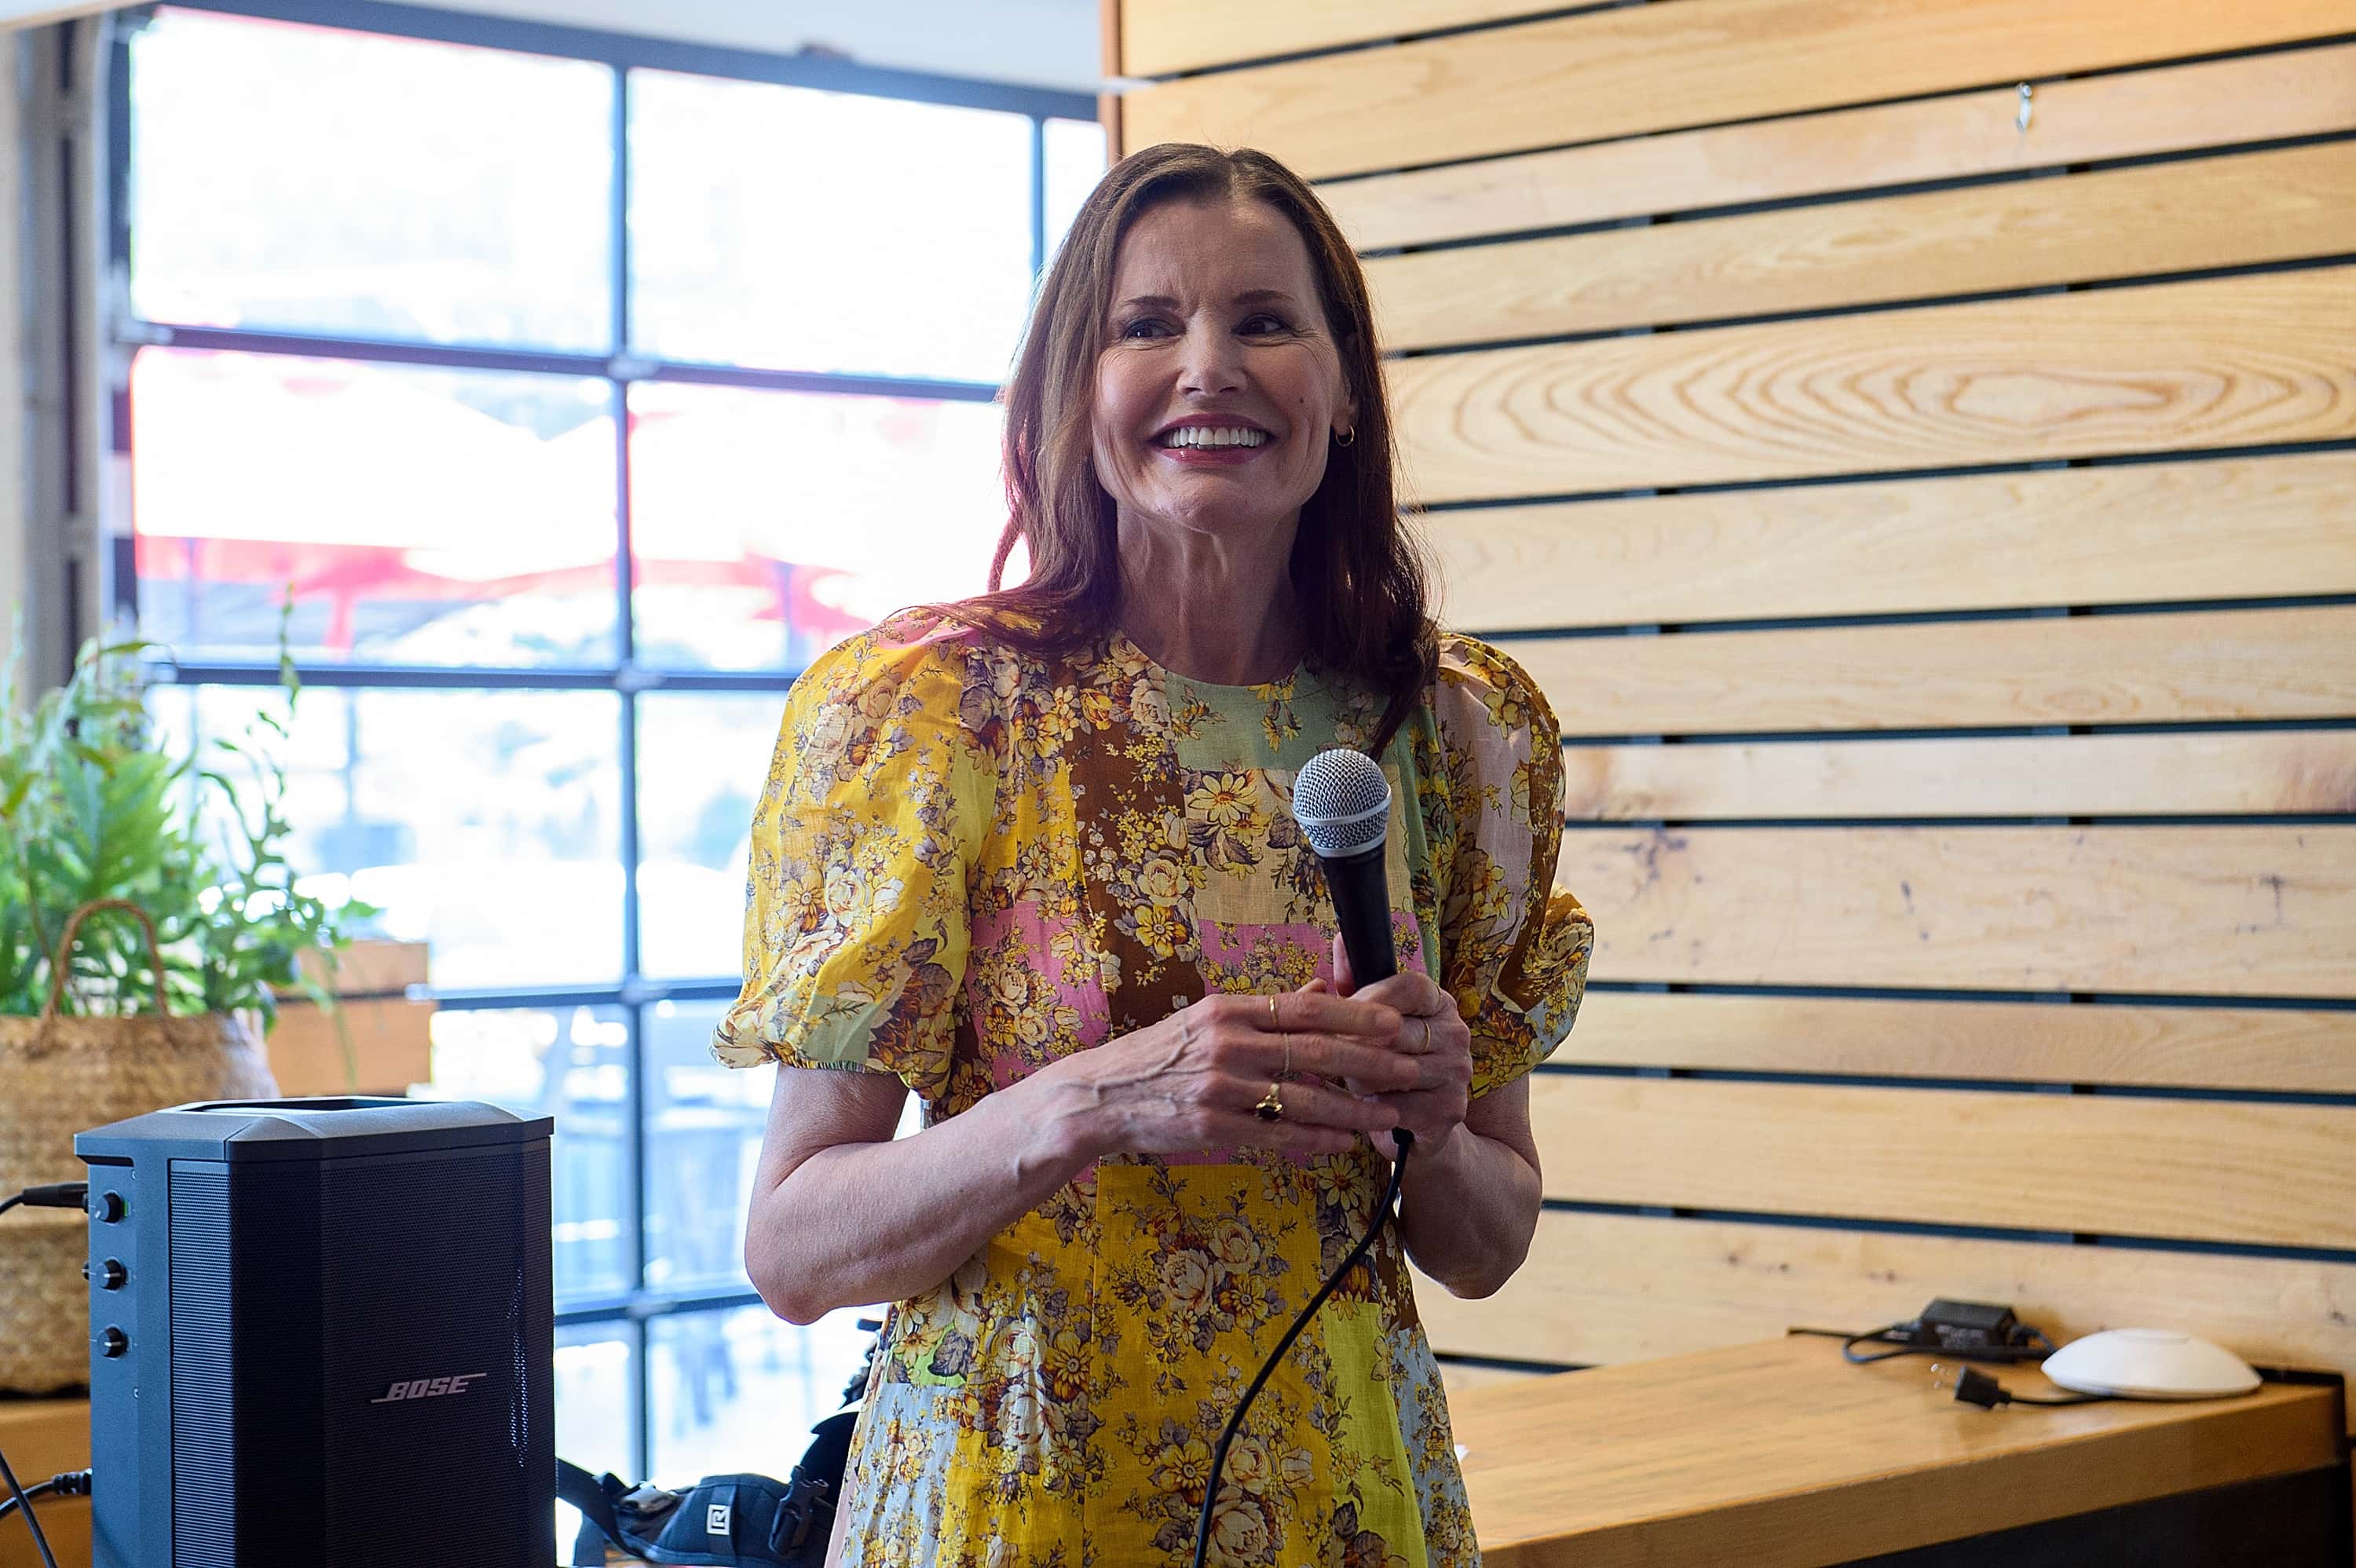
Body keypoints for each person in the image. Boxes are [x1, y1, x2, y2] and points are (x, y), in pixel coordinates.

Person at [712, 141, 1593, 1568]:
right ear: (1076, 390)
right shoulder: (929, 715)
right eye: (1147, 325)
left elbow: (1486, 1243)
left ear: (1347, 389)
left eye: (1264, 321)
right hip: (1013, 1503)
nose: (1208, 367)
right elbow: (797, 1248)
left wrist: (1432, 1122)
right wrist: (1097, 1099)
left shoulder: (1455, 732)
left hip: (1345, 1506)